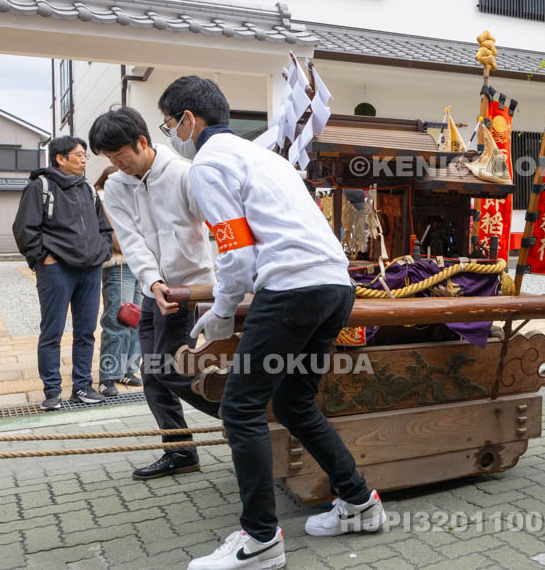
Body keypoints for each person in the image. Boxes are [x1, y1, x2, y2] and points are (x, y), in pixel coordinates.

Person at [157, 76, 385, 570]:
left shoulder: (208, 165)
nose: (172, 133)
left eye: (170, 124)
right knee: (294, 401)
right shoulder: (263, 156)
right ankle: (360, 504)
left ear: (189, 121)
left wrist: (219, 315)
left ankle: (259, 541)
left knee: (241, 408)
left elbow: (235, 254)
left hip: (291, 289)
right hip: (334, 287)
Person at [88, 107, 221, 480]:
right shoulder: (115, 187)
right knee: (152, 373)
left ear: (142, 142)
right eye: (109, 158)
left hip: (189, 289)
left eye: (120, 156)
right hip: (154, 290)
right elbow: (130, 242)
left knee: (166, 368)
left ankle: (241, 415)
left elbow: (217, 223)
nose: (116, 164)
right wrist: (153, 283)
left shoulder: (182, 174)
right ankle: (180, 451)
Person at [12, 136, 112, 410]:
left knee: (86, 331)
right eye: (78, 155)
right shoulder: (40, 186)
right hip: (56, 271)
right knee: (52, 332)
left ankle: (82, 387)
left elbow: (105, 229)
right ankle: (52, 392)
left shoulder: (87, 189)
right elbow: (24, 229)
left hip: (90, 270)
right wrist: (44, 258)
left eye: (84, 156)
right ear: (60, 158)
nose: (84, 160)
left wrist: (101, 252)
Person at [92, 166, 143, 398]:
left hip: (138, 264)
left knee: (137, 320)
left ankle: (128, 369)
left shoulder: (133, 195)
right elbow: (114, 236)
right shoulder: (102, 198)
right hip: (119, 264)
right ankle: (108, 376)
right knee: (117, 320)